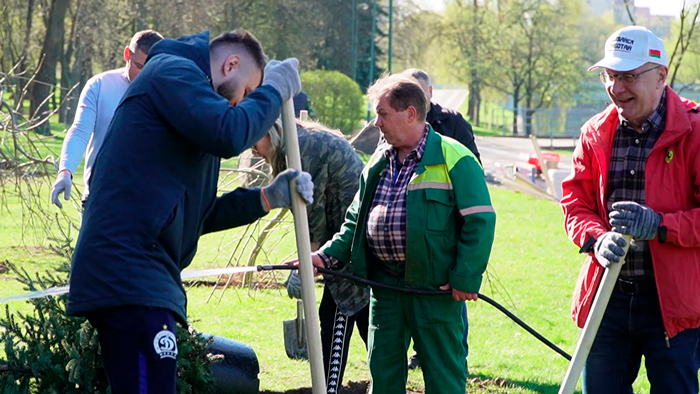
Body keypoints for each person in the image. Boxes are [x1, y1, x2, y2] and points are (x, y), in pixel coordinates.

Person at [66, 29, 313, 394]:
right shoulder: (172, 72)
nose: (241, 105)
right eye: (247, 92)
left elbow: (199, 214)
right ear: (231, 64)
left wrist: (266, 197)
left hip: (146, 278)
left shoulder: (197, 117)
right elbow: (230, 134)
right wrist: (274, 90)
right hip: (130, 273)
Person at [294, 74, 496, 394]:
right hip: (384, 289)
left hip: (434, 291)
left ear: (410, 114)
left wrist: (465, 278)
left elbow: (480, 221)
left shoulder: (455, 157)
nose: (376, 123)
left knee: (444, 376)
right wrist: (325, 255)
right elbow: (355, 222)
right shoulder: (378, 160)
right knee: (384, 375)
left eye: (382, 113)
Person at [561, 26, 700, 394]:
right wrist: (596, 237)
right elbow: (576, 203)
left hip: (672, 304)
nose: (616, 89)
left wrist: (660, 225)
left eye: (627, 77)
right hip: (609, 297)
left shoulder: (695, 132)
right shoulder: (595, 132)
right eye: (610, 76)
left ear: (661, 76)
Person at [252, 118, 369, 392]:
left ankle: (331, 388)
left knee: (341, 312)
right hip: (341, 243)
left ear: (271, 133)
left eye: (254, 141)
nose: (252, 150)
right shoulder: (295, 144)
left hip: (351, 244)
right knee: (353, 313)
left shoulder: (301, 148)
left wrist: (307, 264)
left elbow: (310, 213)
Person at [401, 67, 478, 371]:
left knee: (451, 293)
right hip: (408, 226)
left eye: (420, 92)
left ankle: (456, 352)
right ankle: (418, 350)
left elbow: (472, 170)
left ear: (430, 94)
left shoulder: (453, 123)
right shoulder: (396, 121)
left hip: (447, 224)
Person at [50, 30, 164, 207]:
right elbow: (80, 132)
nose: (144, 75)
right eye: (139, 66)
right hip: (100, 199)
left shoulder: (169, 94)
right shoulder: (100, 85)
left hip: (149, 203)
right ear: (127, 54)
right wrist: (65, 171)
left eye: (150, 68)